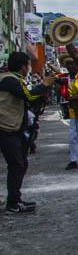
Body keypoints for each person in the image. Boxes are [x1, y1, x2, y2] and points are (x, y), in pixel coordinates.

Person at [0, 52, 52, 213]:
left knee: (21, 163)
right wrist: (43, 84)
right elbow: (28, 95)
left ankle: (15, 199)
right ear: (23, 66)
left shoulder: (12, 79)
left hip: (12, 128)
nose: (29, 68)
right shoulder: (9, 80)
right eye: (28, 65)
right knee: (17, 164)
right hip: (6, 128)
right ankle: (12, 203)